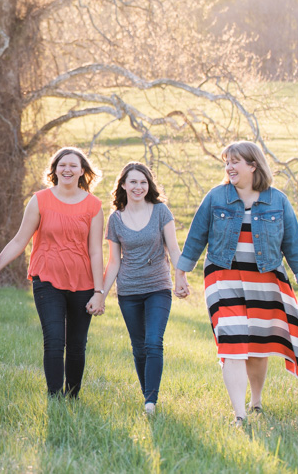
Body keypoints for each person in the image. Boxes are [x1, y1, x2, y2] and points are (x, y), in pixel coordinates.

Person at [174, 141, 298, 426]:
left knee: (257, 346)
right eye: (226, 162)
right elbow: (195, 237)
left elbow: (293, 245)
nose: (229, 167)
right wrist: (181, 272)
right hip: (222, 276)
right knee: (232, 343)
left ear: (253, 165)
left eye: (235, 161)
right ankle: (239, 414)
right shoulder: (216, 197)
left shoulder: (277, 200)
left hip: (264, 279)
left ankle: (255, 402)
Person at [0, 147, 105, 398]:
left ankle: (73, 397)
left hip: (83, 283)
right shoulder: (40, 200)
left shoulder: (94, 205)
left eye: (73, 165)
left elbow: (97, 252)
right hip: (46, 279)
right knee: (55, 340)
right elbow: (19, 241)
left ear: (82, 171)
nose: (67, 169)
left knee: (77, 345)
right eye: (62, 165)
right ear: (55, 169)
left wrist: (99, 292)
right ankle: (55, 398)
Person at [95, 162, 189, 416]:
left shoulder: (160, 211)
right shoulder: (115, 220)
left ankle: (151, 402)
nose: (138, 187)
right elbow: (114, 261)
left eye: (143, 182)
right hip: (129, 291)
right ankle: (147, 394)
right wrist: (100, 296)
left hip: (158, 286)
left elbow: (174, 249)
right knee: (138, 347)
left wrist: (181, 277)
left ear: (149, 186)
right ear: (123, 185)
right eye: (133, 182)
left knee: (153, 341)